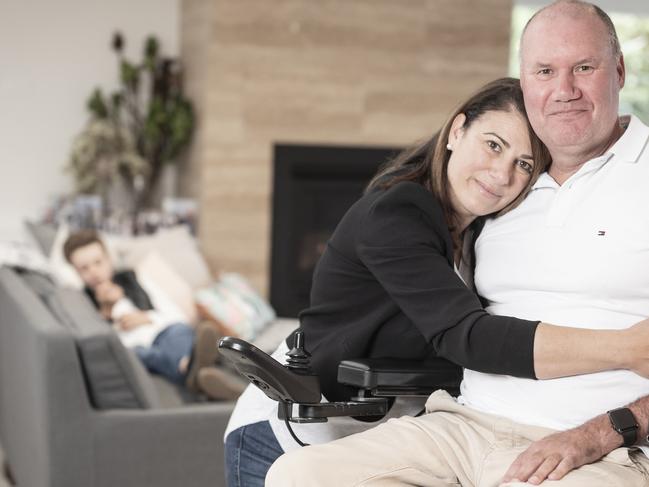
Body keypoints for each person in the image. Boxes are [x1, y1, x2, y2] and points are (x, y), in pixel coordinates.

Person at [266, 1, 649, 486]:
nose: (564, 90)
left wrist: (605, 431)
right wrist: (623, 348)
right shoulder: (507, 197)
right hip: (461, 426)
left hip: (596, 448)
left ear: (618, 70)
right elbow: (464, 331)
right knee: (298, 477)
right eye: (545, 70)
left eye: (585, 68)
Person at [64, 229, 244, 400]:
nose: (93, 272)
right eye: (84, 268)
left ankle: (192, 372)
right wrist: (106, 312)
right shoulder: (82, 301)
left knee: (178, 330)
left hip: (162, 332)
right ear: (75, 272)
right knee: (142, 354)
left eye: (98, 263)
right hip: (136, 348)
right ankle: (195, 371)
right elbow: (100, 343)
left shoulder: (132, 279)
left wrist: (147, 317)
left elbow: (175, 315)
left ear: (109, 260)